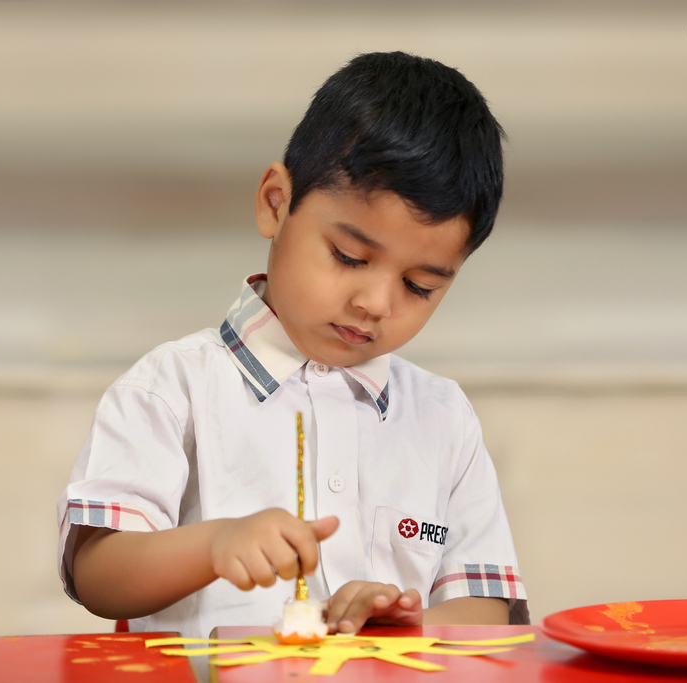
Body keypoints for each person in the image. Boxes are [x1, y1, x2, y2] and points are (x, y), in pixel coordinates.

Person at [56, 51, 528, 640]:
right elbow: (98, 573)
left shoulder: (444, 419)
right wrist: (214, 543)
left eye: (419, 286)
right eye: (350, 257)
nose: (377, 303)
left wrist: (408, 625)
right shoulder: (172, 388)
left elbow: (485, 615)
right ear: (275, 204)